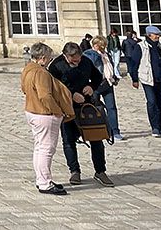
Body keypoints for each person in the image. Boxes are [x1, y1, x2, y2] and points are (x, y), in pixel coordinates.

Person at [49, 42, 114, 187]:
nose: (77, 62)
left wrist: (91, 87)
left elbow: (97, 77)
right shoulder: (56, 66)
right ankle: (74, 171)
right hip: (67, 108)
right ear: (66, 56)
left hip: (87, 106)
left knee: (96, 138)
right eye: (73, 60)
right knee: (69, 140)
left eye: (78, 59)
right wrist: (71, 94)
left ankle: (100, 171)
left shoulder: (85, 61)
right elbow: (54, 88)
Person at [21, 42, 74, 195]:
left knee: (39, 147)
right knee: (46, 149)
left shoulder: (28, 69)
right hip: (44, 114)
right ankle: (44, 182)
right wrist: (57, 111)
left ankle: (42, 179)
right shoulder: (41, 72)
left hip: (32, 110)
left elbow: (24, 89)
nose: (51, 60)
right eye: (50, 57)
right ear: (43, 58)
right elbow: (45, 95)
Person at [128, 25, 161, 138]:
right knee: (152, 102)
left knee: (160, 103)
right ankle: (154, 127)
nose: (157, 36)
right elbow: (134, 63)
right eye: (155, 35)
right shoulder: (140, 46)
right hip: (147, 78)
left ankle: (160, 128)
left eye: (158, 35)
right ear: (149, 35)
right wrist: (134, 79)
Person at [83, 36, 124, 141]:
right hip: (96, 84)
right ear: (96, 45)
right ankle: (98, 129)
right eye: (102, 46)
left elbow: (110, 67)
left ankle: (114, 131)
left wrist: (114, 77)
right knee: (95, 108)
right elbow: (90, 68)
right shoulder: (90, 54)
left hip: (107, 82)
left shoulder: (106, 54)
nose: (104, 48)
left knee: (111, 108)